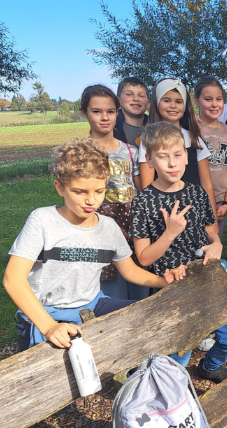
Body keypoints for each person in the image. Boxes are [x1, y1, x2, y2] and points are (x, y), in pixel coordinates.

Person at [2, 141, 167, 351]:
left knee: (149, 319)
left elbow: (130, 271)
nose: (91, 200)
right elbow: (13, 279)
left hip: (93, 304)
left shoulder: (108, 227)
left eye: (99, 191)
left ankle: (137, 377)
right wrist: (50, 327)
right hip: (45, 313)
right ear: (59, 187)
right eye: (80, 192)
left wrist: (166, 283)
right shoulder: (42, 220)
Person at [126, 124, 227, 385]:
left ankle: (210, 367)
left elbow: (211, 230)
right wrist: (169, 233)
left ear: (187, 155)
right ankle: (161, 389)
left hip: (207, 276)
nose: (172, 163)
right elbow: (144, 258)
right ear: (149, 159)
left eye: (177, 154)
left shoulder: (196, 192)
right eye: (163, 156)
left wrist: (216, 245)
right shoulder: (143, 202)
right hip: (173, 283)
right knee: (180, 352)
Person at [77, 86, 144, 293]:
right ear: (84, 114)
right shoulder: (79, 151)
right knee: (109, 289)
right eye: (96, 112)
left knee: (137, 284)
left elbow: (140, 190)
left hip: (131, 224)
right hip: (97, 225)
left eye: (110, 111)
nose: (104, 117)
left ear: (117, 113)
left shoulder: (130, 151)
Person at [136, 80, 215, 201]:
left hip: (194, 208)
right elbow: (147, 187)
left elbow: (207, 184)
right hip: (163, 209)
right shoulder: (148, 140)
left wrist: (213, 219)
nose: (173, 105)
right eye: (166, 100)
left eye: (178, 101)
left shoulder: (194, 138)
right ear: (157, 103)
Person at [192, 78, 227, 245]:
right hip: (195, 200)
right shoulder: (192, 128)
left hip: (219, 202)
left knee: (214, 247)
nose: (214, 104)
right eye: (208, 99)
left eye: (218, 99)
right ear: (197, 100)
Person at [115, 76, 152, 149]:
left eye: (141, 95)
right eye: (129, 94)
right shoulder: (111, 128)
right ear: (118, 100)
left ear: (148, 104)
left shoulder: (157, 127)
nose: (136, 99)